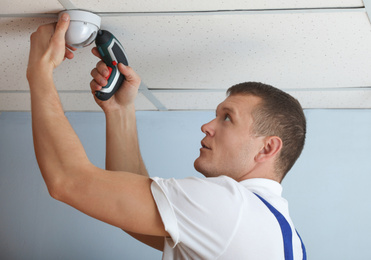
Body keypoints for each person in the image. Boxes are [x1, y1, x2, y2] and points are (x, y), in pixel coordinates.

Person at [27, 13, 307, 259]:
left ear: (268, 148)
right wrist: (120, 110)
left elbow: (68, 181)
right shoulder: (276, 230)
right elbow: (128, 212)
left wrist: (39, 70)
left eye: (227, 118)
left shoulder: (230, 206)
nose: (207, 126)